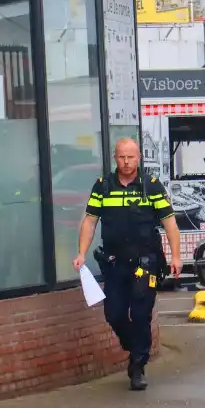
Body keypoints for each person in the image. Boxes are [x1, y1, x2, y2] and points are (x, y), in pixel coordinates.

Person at [74, 138, 183, 391]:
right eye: (122, 157)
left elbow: (170, 224)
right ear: (115, 158)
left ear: (139, 158)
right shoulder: (103, 186)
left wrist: (176, 257)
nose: (126, 162)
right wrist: (81, 253)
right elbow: (90, 222)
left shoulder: (152, 187)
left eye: (131, 157)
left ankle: (138, 365)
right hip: (115, 262)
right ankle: (133, 346)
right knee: (114, 313)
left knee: (142, 313)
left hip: (145, 261)